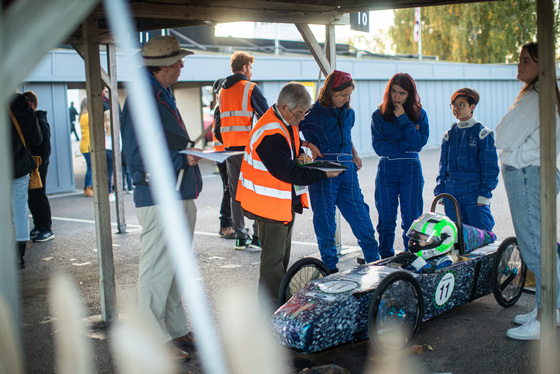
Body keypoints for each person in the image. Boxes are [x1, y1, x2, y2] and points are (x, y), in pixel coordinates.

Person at [121, 35, 201, 360]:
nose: (183, 64)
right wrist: (184, 159)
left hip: (176, 191)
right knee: (156, 269)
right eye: (179, 61)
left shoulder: (159, 91)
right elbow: (137, 159)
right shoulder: (144, 97)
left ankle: (175, 327)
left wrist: (185, 157)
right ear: (163, 67)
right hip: (160, 196)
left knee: (173, 266)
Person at [236, 82, 342, 306]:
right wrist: (324, 173)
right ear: (283, 107)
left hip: (279, 205)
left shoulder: (282, 121)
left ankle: (278, 302)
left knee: (280, 260)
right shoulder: (270, 134)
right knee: (273, 264)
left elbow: (290, 143)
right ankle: (271, 310)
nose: (302, 119)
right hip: (268, 206)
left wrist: (305, 144)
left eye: (305, 112)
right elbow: (291, 173)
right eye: (299, 113)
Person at [494, 42, 560, 340]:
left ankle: (545, 318)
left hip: (526, 175)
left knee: (535, 248)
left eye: (526, 61)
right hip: (538, 173)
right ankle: (549, 310)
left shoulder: (534, 98)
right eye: (518, 59)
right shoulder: (546, 94)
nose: (519, 65)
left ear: (541, 66)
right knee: (542, 245)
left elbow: (503, 135)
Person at [299, 70, 380, 273]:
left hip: (347, 170)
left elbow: (347, 136)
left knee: (361, 216)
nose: (346, 99)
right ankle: (330, 269)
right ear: (329, 92)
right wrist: (306, 144)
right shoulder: (311, 114)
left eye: (349, 95)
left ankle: (375, 262)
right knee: (325, 222)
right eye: (342, 95)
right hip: (323, 172)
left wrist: (355, 154)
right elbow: (289, 130)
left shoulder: (348, 113)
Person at [214, 51, 269, 250]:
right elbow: (267, 117)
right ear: (245, 67)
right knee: (254, 190)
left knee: (236, 194)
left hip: (230, 151)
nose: (252, 72)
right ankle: (257, 237)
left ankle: (240, 237)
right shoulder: (250, 88)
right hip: (248, 150)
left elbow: (219, 123)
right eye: (251, 67)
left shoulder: (222, 91)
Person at [371, 73, 429, 258]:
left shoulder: (420, 114)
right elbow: (380, 147)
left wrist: (405, 120)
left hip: (411, 170)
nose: (397, 97)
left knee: (412, 220)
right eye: (393, 92)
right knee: (386, 219)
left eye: (402, 93)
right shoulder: (378, 114)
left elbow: (419, 143)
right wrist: (406, 144)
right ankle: (385, 257)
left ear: (410, 94)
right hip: (387, 169)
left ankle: (411, 258)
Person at [434, 88, 499, 232]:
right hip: (452, 190)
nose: (457, 108)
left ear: (472, 107)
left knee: (482, 231)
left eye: (461, 104)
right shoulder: (449, 135)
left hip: (474, 190)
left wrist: (485, 194)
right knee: (455, 232)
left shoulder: (482, 134)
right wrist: (441, 191)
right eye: (454, 105)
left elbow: (490, 169)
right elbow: (442, 167)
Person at [10, 93, 42, 268]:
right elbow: (37, 139)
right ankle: (19, 256)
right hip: (21, 166)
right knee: (20, 209)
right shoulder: (27, 109)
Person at [23, 91, 55, 242]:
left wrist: (39, 164)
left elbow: (44, 148)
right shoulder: (36, 119)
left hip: (38, 164)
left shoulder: (39, 121)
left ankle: (46, 228)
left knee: (39, 194)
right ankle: (39, 226)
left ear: (30, 105)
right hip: (36, 164)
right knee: (33, 196)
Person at [212, 77, 235, 239]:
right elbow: (219, 133)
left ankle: (230, 223)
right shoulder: (220, 108)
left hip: (224, 153)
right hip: (223, 154)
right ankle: (225, 224)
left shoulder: (222, 108)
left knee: (231, 189)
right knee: (229, 189)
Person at [79, 98, 93, 197]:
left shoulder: (81, 116)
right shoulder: (88, 116)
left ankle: (87, 188)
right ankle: (88, 188)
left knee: (90, 167)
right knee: (91, 168)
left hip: (84, 145)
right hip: (88, 145)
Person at [103, 110, 114, 194]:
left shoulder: (102, 128)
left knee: (104, 172)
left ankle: (104, 191)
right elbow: (119, 142)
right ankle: (109, 192)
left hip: (104, 151)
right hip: (111, 151)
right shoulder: (114, 127)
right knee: (110, 173)